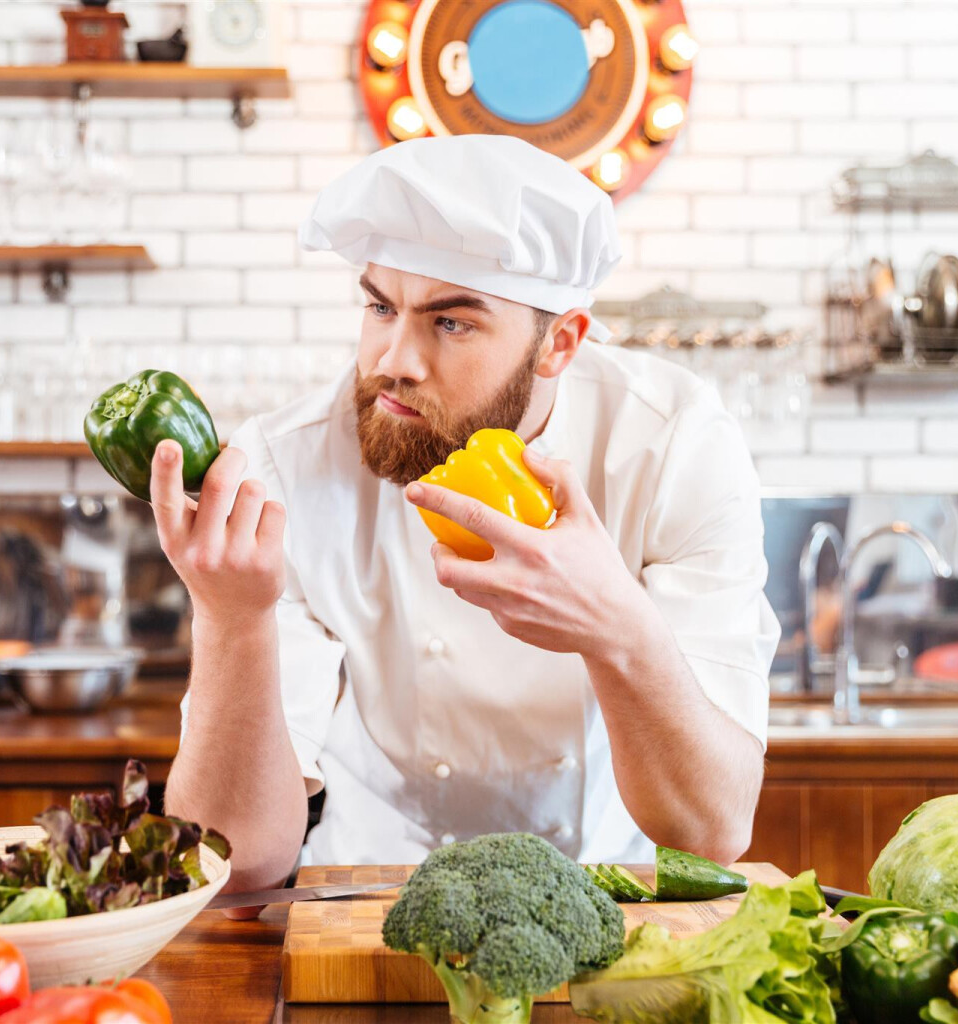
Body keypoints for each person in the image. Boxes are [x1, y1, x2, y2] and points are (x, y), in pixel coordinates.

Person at [153, 135, 779, 900]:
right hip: (366, 902)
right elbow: (235, 859)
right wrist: (232, 620)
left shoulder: (669, 441)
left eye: (451, 323)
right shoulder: (285, 467)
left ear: (560, 344)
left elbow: (711, 829)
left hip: (609, 907)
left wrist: (618, 627)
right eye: (380, 306)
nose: (394, 359)